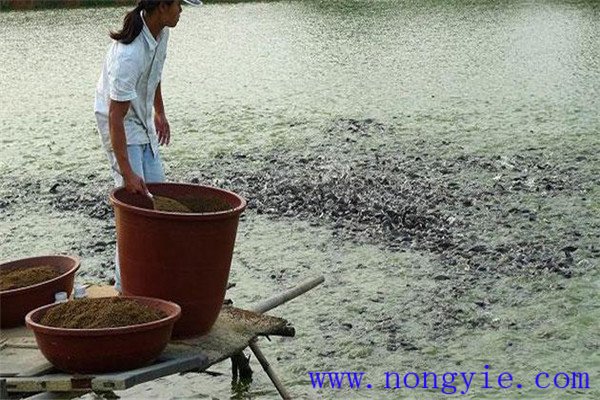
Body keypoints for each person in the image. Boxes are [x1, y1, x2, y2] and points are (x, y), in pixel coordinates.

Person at [94, 0, 200, 292]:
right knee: (136, 207)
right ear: (162, 7)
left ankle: (153, 283)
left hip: (140, 117)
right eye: (178, 4)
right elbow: (115, 116)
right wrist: (126, 172)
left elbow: (154, 75)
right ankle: (125, 290)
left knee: (157, 201)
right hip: (119, 122)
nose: (182, 10)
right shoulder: (128, 55)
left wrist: (159, 111)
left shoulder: (161, 32)